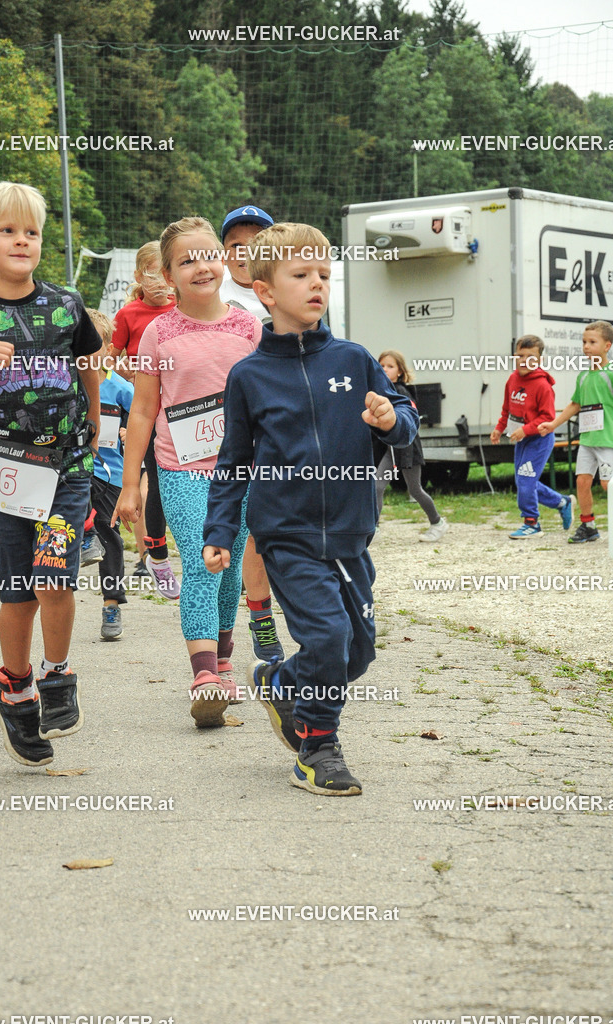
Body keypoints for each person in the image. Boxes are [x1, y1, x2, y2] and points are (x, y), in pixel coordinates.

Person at [202, 223, 418, 796]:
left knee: (357, 650)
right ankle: (317, 747)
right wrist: (220, 528)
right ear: (266, 290)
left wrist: (392, 421)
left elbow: (405, 421)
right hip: (287, 537)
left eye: (324, 274)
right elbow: (233, 462)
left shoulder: (355, 358)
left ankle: (282, 682)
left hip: (350, 535)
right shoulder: (248, 376)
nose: (316, 284)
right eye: (301, 275)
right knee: (327, 637)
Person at [0, 181, 101, 767]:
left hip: (67, 467)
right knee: (20, 590)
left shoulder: (66, 304)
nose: (22, 240)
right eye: (7, 231)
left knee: (57, 574)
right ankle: (16, 684)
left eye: (31, 231)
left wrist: (97, 420)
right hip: (3, 469)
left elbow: (88, 363)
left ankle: (58, 675)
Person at [112, 216, 262, 727]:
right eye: (185, 261)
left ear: (224, 259)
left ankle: (222, 662)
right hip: (181, 468)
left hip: (240, 470)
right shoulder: (158, 333)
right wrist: (131, 483)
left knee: (231, 565)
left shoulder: (248, 326)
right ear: (168, 275)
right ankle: (202, 675)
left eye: (208, 255)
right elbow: (142, 409)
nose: (200, 266)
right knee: (204, 559)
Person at [220, 204, 284, 662]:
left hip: (281, 427)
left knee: (265, 531)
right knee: (234, 534)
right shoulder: (211, 291)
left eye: (254, 244)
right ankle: (244, 631)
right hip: (225, 430)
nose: (244, 253)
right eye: (235, 246)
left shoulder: (293, 285)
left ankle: (266, 618)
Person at [111, 241, 180, 596]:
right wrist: (135, 376)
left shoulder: (183, 309)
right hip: (147, 408)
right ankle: (156, 555)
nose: (159, 284)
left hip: (184, 407)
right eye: (150, 275)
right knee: (153, 478)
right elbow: (112, 357)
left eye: (162, 275)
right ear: (138, 276)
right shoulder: (129, 315)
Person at [490, 334, 573, 539]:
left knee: (526, 480)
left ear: (539, 360)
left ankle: (531, 523)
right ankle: (563, 502)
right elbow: (507, 409)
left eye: (530, 357)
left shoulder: (543, 386)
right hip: (522, 440)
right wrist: (499, 428)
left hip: (540, 440)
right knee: (525, 480)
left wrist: (526, 430)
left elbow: (547, 417)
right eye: (520, 355)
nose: (524, 360)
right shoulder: (512, 379)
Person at [538, 320, 613, 542]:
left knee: (607, 484)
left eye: (592, 342)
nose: (586, 347)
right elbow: (575, 405)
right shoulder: (583, 376)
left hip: (608, 440)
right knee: (582, 481)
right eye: (584, 342)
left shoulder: (610, 373)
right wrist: (553, 424)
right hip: (588, 440)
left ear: (607, 346)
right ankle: (588, 525)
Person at [86, 308, 135, 640]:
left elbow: (144, 423)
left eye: (96, 345)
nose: (90, 353)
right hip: (72, 470)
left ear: (107, 347)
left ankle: (111, 603)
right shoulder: (67, 385)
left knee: (109, 536)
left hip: (109, 473)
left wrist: (129, 432)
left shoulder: (120, 389)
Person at [376, 350, 448, 542]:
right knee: (376, 486)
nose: (385, 369)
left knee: (415, 490)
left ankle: (437, 523)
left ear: (400, 371)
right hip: (392, 449)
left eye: (390, 366)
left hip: (408, 448)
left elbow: (408, 422)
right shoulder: (382, 391)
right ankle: (373, 529)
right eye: (381, 365)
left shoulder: (400, 392)